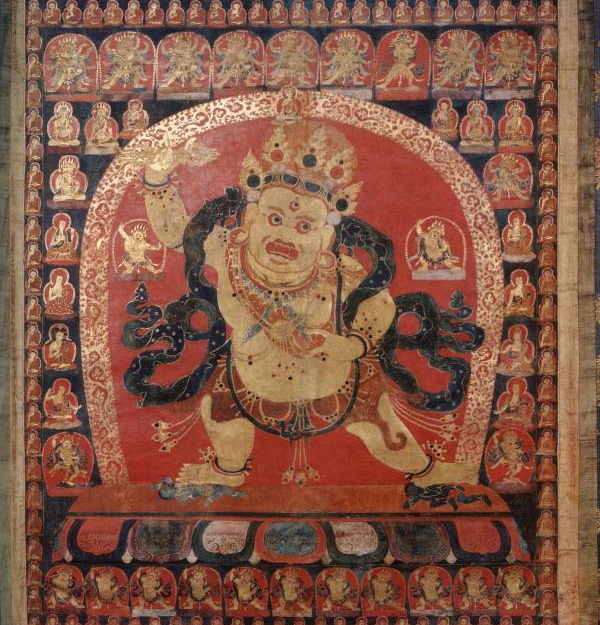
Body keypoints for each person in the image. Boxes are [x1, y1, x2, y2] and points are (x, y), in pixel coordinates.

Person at [122, 109, 483, 490]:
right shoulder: (227, 252)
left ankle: (425, 472)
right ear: (249, 219)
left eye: (305, 226)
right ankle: (228, 471)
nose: (287, 235)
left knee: (380, 429)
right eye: (274, 219)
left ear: (326, 239)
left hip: (331, 377)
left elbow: (378, 304)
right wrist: (157, 178)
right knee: (219, 418)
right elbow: (177, 233)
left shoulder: (338, 269)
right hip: (249, 375)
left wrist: (352, 345)